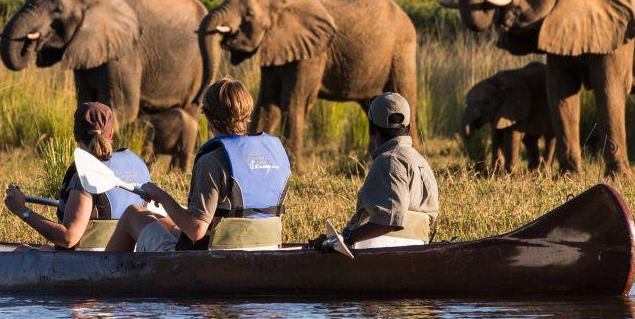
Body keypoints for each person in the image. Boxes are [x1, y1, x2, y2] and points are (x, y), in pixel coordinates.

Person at [106, 77, 290, 252]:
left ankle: (106, 279)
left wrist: (161, 196)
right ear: (247, 114)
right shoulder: (275, 153)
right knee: (165, 223)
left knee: (134, 214)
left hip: (210, 260)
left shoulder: (212, 160)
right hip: (267, 247)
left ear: (210, 120)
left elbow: (196, 230)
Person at [3, 102, 151, 250]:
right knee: (46, 248)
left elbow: (68, 237)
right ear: (111, 133)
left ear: (75, 136)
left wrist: (22, 210)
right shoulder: (138, 164)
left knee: (21, 251)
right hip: (131, 259)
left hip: (91, 264)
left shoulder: (85, 174)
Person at [310, 92, 438, 250]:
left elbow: (389, 220)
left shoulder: (389, 161)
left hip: (377, 253)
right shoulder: (422, 163)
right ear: (410, 128)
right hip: (418, 248)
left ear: (371, 129)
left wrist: (345, 239)